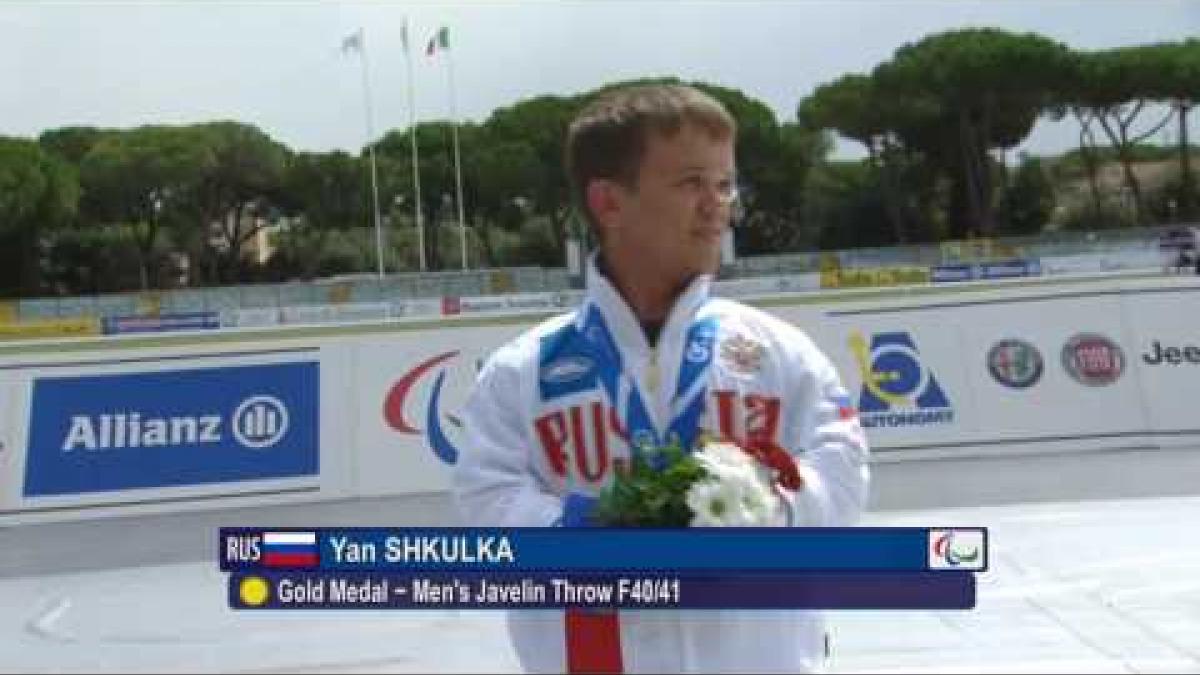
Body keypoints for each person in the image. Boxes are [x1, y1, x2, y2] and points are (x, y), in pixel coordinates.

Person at [453, 83, 870, 674]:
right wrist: (582, 534)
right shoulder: (522, 372)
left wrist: (761, 512)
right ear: (609, 204)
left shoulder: (780, 354)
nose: (717, 205)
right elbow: (484, 494)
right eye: (692, 183)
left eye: (725, 185)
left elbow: (843, 470)